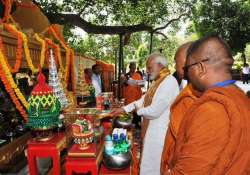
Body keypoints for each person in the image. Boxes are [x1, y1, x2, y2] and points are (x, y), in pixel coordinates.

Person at [164, 35, 250, 175]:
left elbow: (190, 171)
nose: (186, 75)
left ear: (201, 67)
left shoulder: (212, 109)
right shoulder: (241, 98)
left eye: (187, 68)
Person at [111, 53, 179, 175]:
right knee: (147, 162)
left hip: (159, 134)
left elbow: (155, 111)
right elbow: (143, 100)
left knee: (154, 165)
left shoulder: (169, 82)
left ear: (160, 65)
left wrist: (138, 111)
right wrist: (124, 109)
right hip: (150, 130)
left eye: (149, 67)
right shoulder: (158, 81)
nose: (147, 71)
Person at [160, 42, 200, 174]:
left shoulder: (200, 97)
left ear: (186, 63)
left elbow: (194, 148)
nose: (175, 66)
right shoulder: (188, 89)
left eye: (176, 61)